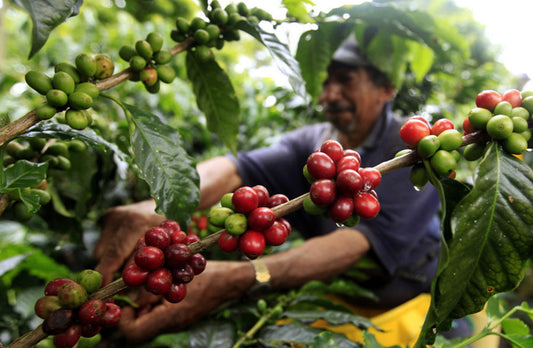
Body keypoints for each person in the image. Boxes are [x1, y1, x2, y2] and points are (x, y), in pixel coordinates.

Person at [94, 35, 443, 342]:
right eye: (326, 83)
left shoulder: (408, 152)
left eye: (346, 81)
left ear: (385, 90)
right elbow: (236, 169)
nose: (328, 95)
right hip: (340, 296)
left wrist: (240, 277)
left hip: (413, 303)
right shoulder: (314, 143)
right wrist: (159, 204)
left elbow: (354, 244)